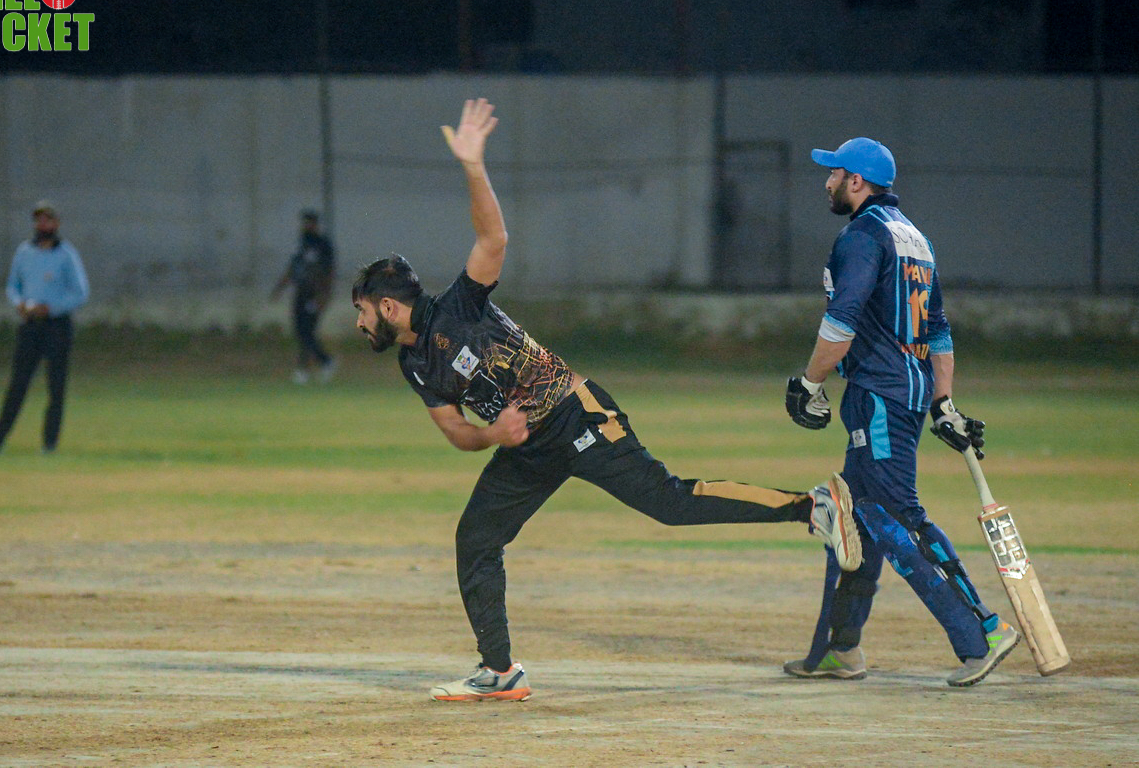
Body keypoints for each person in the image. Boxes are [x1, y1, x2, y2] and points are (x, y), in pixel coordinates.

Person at [351, 99, 862, 702]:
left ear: (389, 306)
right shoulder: (413, 363)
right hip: (526, 446)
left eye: (362, 310)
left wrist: (472, 165)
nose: (358, 323)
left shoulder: (457, 308)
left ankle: (812, 506)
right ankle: (501, 672)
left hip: (577, 416)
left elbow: (493, 236)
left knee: (668, 503)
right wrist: (493, 435)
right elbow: (456, 432)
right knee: (476, 539)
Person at [783, 137, 1015, 687]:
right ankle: (841, 647)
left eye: (834, 173)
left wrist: (809, 383)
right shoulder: (915, 237)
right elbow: (938, 329)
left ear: (856, 181)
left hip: (880, 395)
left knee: (895, 516)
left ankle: (982, 630)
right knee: (854, 514)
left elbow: (841, 321)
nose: (826, 182)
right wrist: (943, 402)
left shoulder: (862, 236)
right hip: (901, 392)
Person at [0, 201, 90, 454]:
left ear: (56, 223)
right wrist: (19, 304)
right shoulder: (24, 252)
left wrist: (52, 308)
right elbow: (13, 286)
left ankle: (49, 443)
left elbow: (80, 293)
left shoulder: (66, 254)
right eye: (39, 220)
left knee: (55, 386)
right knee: (18, 384)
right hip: (30, 326)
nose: (43, 225)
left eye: (47, 220)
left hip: (57, 326)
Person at [271, 209, 337, 384]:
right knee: (300, 331)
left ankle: (318, 364)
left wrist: (324, 295)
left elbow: (329, 271)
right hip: (301, 292)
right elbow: (293, 268)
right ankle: (315, 365)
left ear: (315, 224)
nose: (306, 226)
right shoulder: (302, 243)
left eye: (309, 223)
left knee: (307, 330)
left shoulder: (323, 245)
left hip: (314, 294)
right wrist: (280, 288)